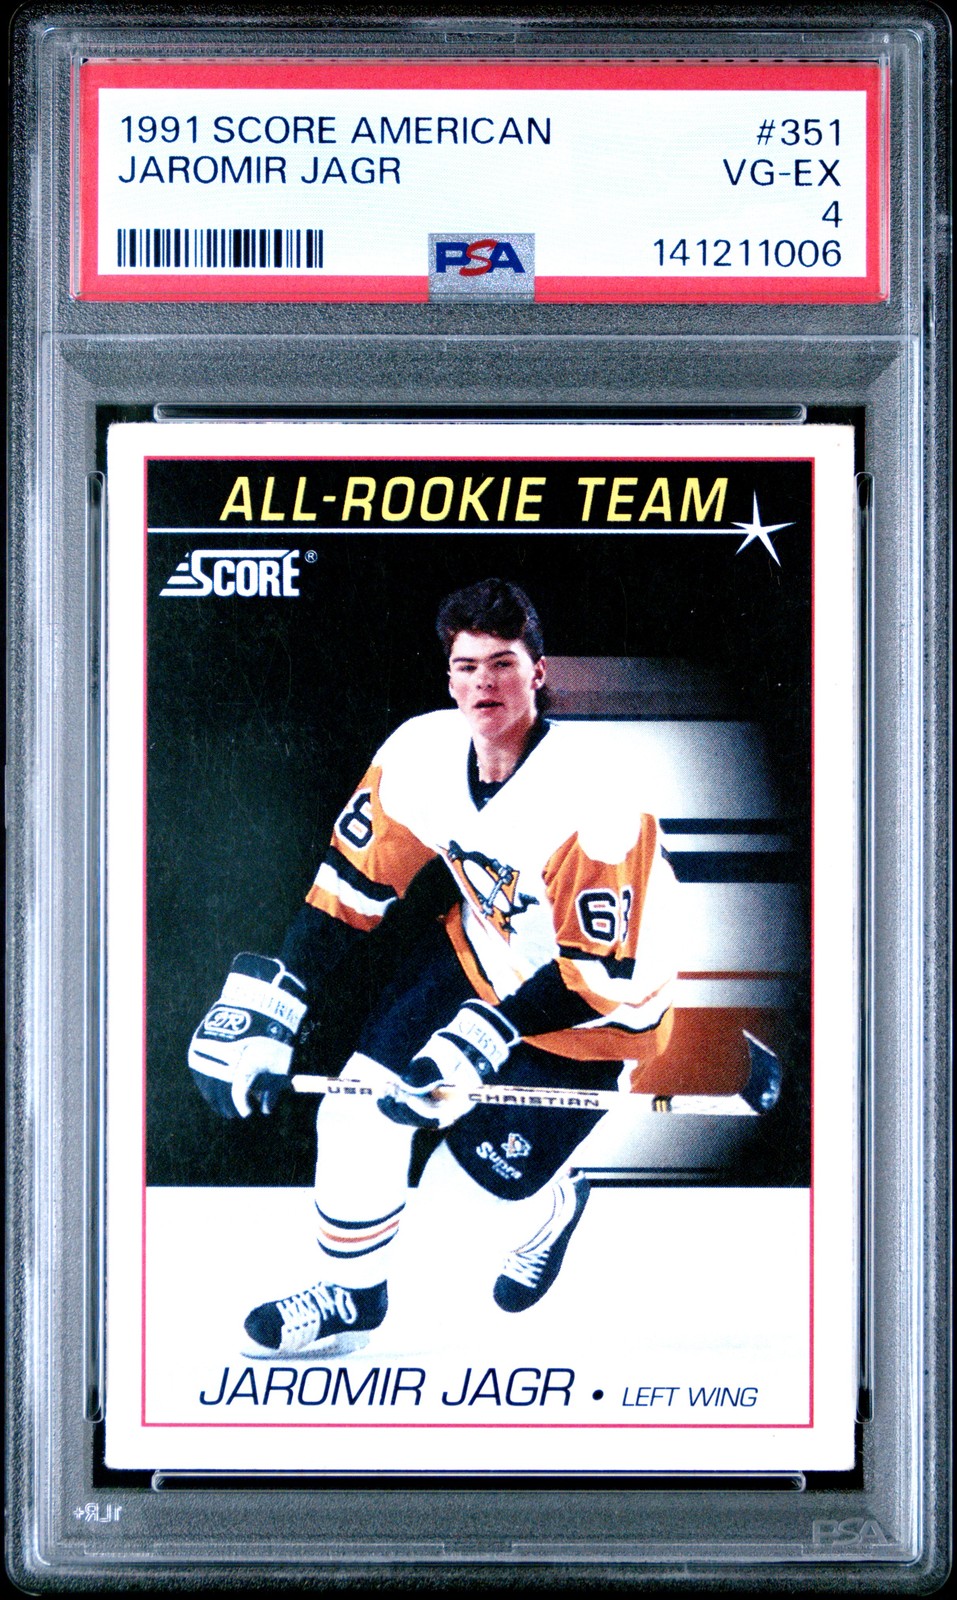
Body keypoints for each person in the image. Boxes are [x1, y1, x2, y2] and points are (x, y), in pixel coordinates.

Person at [188, 578, 679, 1356]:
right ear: (449, 677)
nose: (484, 684)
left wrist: (484, 1035)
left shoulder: (598, 801)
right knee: (356, 1112)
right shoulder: (418, 753)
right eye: (466, 666)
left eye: (503, 664)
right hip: (479, 957)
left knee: (461, 1207)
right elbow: (348, 892)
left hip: (593, 1016)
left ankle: (547, 1209)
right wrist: (279, 998)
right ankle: (350, 1298)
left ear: (537, 672)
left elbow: (595, 977)